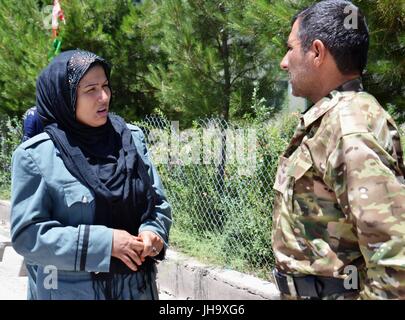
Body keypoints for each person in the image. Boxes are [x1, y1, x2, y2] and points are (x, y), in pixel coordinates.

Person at [10, 50, 172, 300]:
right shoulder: (37, 156)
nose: (104, 96)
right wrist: (105, 244)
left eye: (105, 85)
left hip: (138, 291)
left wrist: (153, 232)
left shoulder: (131, 140)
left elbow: (157, 204)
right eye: (91, 90)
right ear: (64, 97)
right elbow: (27, 235)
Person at [271, 0, 405, 300]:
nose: (284, 61)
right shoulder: (335, 118)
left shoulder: (349, 126)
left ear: (317, 52)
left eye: (290, 48)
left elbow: (396, 263)